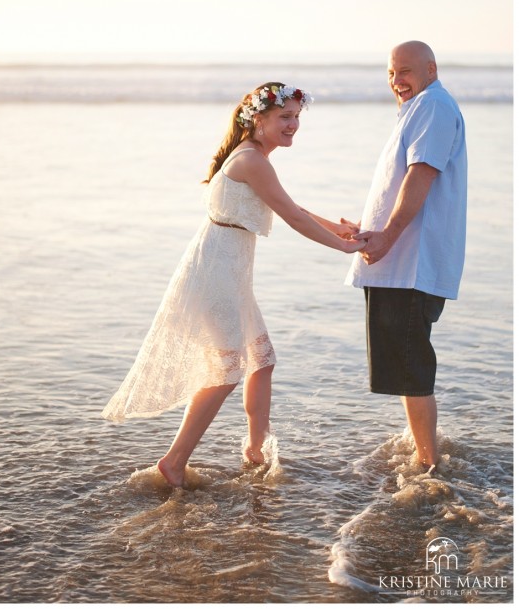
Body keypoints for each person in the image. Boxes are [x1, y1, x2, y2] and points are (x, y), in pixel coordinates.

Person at [102, 82, 362, 487]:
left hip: (229, 271)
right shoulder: (251, 161)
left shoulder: (256, 159)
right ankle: (173, 461)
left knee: (262, 360)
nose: (293, 125)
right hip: (216, 274)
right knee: (226, 370)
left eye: (296, 117)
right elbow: (292, 217)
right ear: (258, 120)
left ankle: (256, 449)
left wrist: (342, 232)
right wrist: (343, 248)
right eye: (284, 117)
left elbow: (292, 207)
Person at [346, 41, 467, 472]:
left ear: (431, 69)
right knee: (405, 362)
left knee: (412, 363)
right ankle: (423, 451)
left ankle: (428, 464)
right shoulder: (421, 107)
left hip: (410, 263)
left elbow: (421, 175)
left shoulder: (432, 106)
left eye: (405, 71)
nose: (397, 81)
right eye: (391, 74)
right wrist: (369, 228)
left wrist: (389, 236)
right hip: (399, 261)